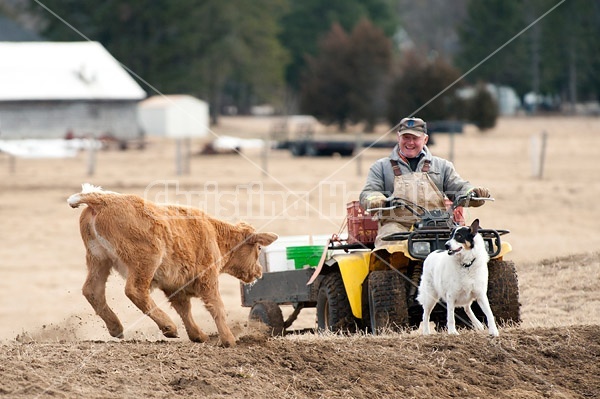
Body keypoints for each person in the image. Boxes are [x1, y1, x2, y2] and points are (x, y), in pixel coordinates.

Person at [359, 117, 490, 248]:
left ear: (425, 139)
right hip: (396, 225)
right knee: (390, 245)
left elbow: (459, 187)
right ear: (398, 137)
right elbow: (368, 192)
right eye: (406, 137)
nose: (410, 142)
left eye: (415, 138)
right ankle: (389, 269)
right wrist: (375, 199)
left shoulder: (442, 166)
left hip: (437, 224)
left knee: (474, 247)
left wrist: (472, 193)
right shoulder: (381, 167)